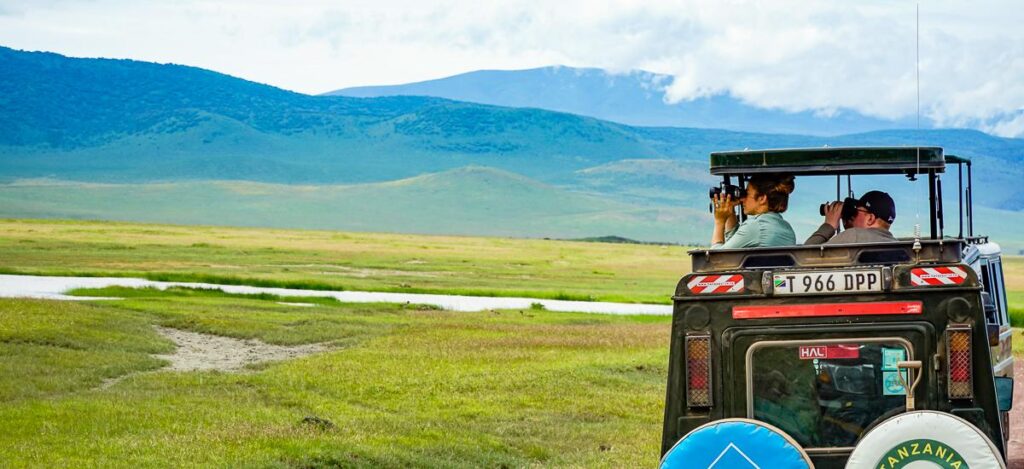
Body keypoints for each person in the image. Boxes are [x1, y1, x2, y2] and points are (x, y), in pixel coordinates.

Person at [711, 173, 796, 249]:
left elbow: (716, 259)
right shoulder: (786, 227)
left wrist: (719, 221)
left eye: (747, 194)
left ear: (762, 198)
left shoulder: (756, 226)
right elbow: (733, 245)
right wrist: (730, 209)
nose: (742, 199)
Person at [804, 190, 897, 244]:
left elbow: (804, 257)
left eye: (857, 211)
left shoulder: (853, 235)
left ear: (870, 219)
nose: (853, 213)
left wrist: (829, 225)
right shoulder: (896, 244)